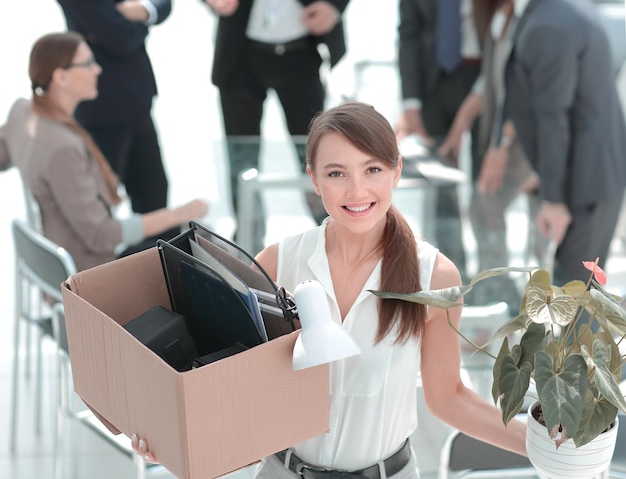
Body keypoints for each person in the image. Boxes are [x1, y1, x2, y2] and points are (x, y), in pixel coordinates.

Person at [132, 102, 527, 477]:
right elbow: (225, 380)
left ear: (397, 172)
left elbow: (449, 397)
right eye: (337, 173)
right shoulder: (276, 263)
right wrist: (165, 434)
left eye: (372, 170)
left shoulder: (434, 277)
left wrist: (542, 444)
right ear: (314, 180)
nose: (357, 191)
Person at [0, 32, 209, 272]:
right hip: (90, 273)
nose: (97, 69)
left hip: (55, 257)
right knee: (194, 252)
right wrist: (179, 214)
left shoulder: (22, 111)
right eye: (88, 63)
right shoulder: (63, 148)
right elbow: (101, 234)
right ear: (61, 77)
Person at [199, 0, 351, 253]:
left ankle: (338, 242)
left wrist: (335, 4)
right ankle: (249, 250)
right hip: (240, 53)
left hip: (305, 50)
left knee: (317, 156)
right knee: (242, 162)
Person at [504, 0, 626, 285]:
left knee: (576, 304)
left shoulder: (548, 25)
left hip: (581, 186)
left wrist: (554, 199)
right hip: (594, 173)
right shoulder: (563, 7)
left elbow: (553, 118)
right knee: (581, 297)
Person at [437, 0, 540, 311]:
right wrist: (460, 126)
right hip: (505, 133)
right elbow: (490, 80)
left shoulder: (532, 15)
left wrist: (500, 148)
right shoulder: (500, 12)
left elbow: (521, 88)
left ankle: (504, 297)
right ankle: (499, 294)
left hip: (525, 136)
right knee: (484, 207)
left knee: (486, 204)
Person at [396, 0, 487, 281]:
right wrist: (410, 103)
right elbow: (408, 34)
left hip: (485, 73)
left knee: (487, 182)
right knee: (441, 186)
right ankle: (450, 275)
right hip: (434, 81)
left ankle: (491, 274)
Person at [55, 0, 172, 216]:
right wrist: (141, 18)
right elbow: (120, 37)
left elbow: (163, 1)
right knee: (99, 205)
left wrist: (144, 10)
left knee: (156, 196)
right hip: (102, 107)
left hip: (138, 98)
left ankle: (159, 249)